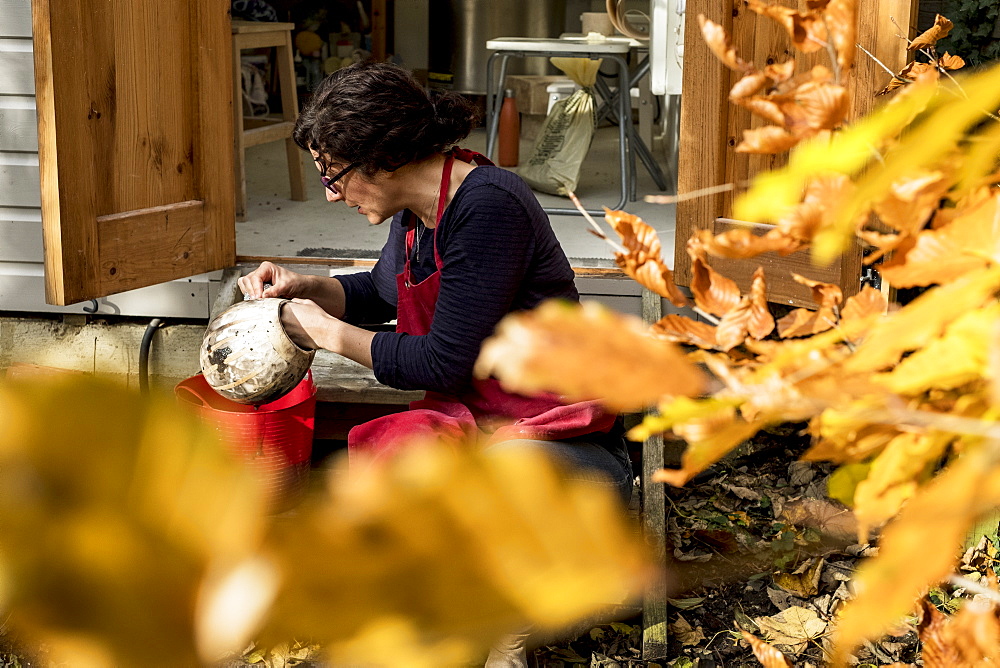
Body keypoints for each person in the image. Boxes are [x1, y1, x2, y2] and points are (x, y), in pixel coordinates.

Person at [238, 62, 633, 666]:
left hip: (561, 439)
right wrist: (308, 286)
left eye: (332, 172)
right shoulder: (418, 212)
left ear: (383, 157)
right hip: (483, 422)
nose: (328, 192)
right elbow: (381, 293)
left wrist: (330, 336)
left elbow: (444, 362)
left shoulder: (488, 205)